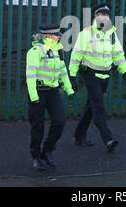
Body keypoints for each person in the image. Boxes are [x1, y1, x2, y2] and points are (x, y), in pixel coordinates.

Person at [69, 3, 126, 152]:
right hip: (90, 74)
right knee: (98, 106)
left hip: (105, 76)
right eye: (100, 14)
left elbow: (118, 55)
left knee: (91, 106)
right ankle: (108, 139)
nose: (103, 17)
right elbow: (76, 56)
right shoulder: (86, 34)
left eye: (106, 14)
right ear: (95, 16)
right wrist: (72, 76)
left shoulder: (112, 34)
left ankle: (79, 135)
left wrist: (125, 72)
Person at [26, 23, 75, 171]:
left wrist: (69, 89)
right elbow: (31, 75)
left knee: (60, 122)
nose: (59, 36)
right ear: (48, 36)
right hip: (38, 92)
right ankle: (36, 157)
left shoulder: (58, 50)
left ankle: (47, 151)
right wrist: (34, 95)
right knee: (37, 126)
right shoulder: (35, 51)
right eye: (56, 34)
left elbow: (62, 72)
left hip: (53, 92)